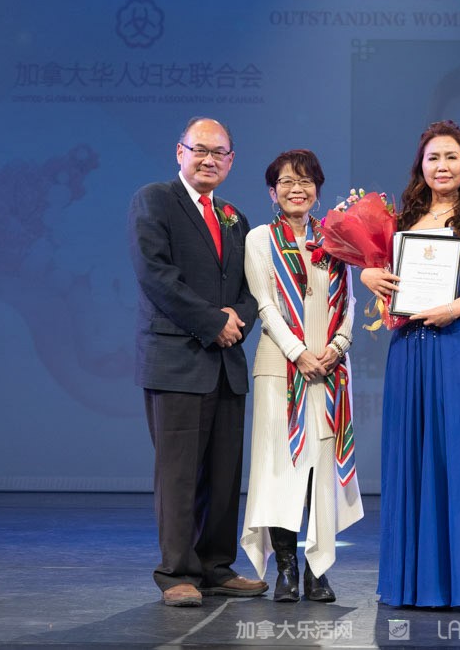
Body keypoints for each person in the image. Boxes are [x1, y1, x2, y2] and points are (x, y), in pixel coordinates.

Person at [362, 120, 460, 607]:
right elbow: (382, 273)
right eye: (433, 158)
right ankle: (410, 582)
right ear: (420, 166)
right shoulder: (400, 219)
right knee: (410, 456)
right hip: (408, 349)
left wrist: (451, 308)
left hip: (454, 343)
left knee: (456, 454)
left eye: (451, 157)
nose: (442, 166)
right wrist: (368, 276)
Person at [128, 117, 267, 606]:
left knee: (224, 473)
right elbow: (156, 276)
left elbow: (252, 287)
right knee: (180, 472)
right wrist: (212, 322)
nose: (209, 160)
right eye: (200, 150)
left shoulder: (234, 216)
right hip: (177, 359)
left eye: (219, 153)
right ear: (180, 152)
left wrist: (237, 319)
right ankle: (177, 573)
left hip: (226, 361)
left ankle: (215, 566)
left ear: (231, 160)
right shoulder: (155, 200)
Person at [241, 149, 363, 603]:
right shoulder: (259, 239)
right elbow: (265, 304)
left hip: (329, 370)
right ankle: (286, 569)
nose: (298, 189)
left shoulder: (336, 238)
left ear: (318, 190)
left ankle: (317, 569)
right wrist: (298, 353)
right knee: (281, 469)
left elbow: (349, 303)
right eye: (287, 182)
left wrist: (338, 347)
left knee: (320, 474)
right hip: (280, 368)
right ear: (272, 192)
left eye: (307, 181)